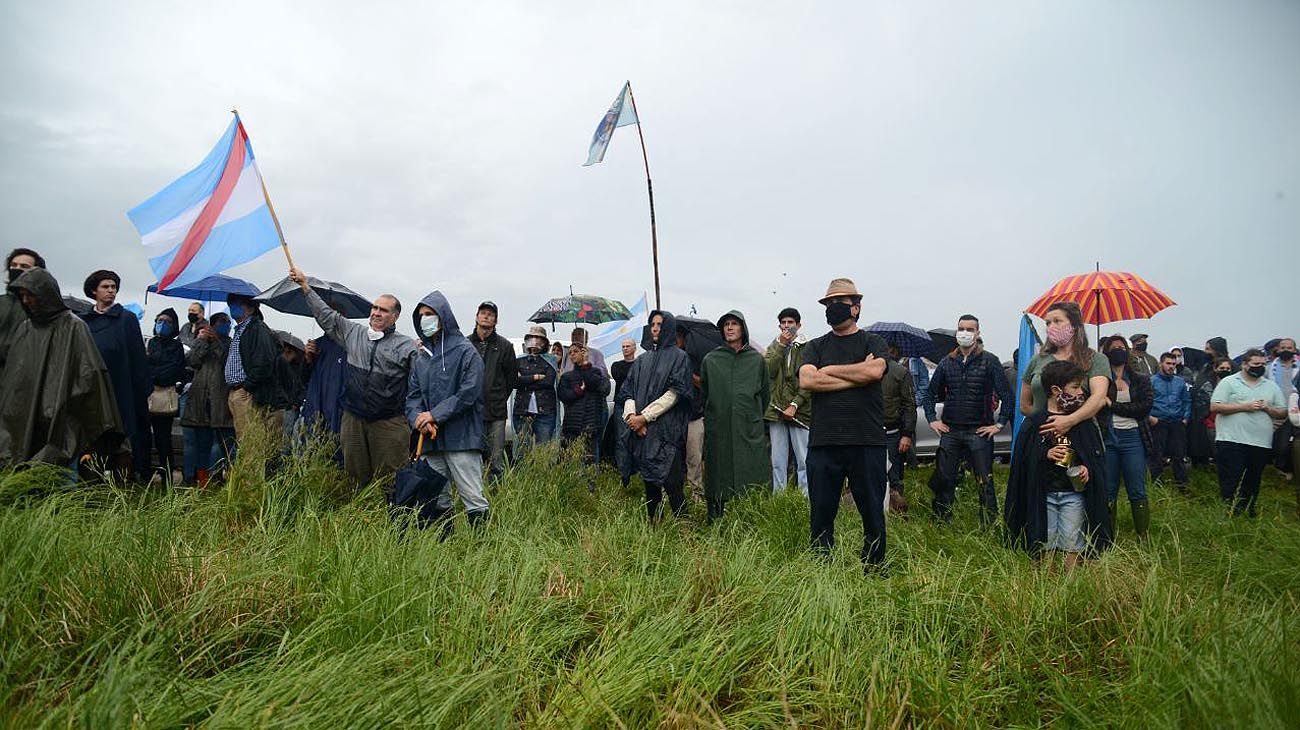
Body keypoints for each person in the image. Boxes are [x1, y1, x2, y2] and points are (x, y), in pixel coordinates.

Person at [289, 267, 417, 491]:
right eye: (375, 308)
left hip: (388, 422)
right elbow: (327, 316)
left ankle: (393, 521)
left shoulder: (406, 346)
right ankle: (359, 517)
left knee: (391, 478)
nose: (376, 313)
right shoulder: (354, 333)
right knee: (356, 476)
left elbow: (420, 384)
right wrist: (305, 286)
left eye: (384, 310)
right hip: (354, 419)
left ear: (395, 317)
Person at [798, 278, 890, 572]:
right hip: (824, 441)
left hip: (867, 439)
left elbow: (875, 372)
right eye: (828, 304)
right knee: (821, 512)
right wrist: (856, 373)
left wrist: (832, 371)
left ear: (856, 308)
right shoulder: (814, 346)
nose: (833, 309)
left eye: (839, 303)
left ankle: (874, 565)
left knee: (872, 510)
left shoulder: (873, 342)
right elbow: (808, 379)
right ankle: (822, 566)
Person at [0, 268, 125, 469]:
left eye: (29, 295)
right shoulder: (25, 329)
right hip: (24, 416)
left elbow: (89, 376)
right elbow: (15, 377)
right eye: (22, 296)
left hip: (61, 416)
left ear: (45, 295)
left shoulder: (74, 327)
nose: (25, 301)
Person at [1004, 360, 1112, 569]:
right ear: (1055, 390)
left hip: (1073, 495)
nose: (1081, 392)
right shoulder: (1035, 422)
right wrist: (1045, 453)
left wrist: (1085, 469)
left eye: (1081, 386)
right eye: (1075, 387)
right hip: (1043, 495)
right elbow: (1023, 461)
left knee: (1073, 543)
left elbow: (1093, 457)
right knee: (1044, 542)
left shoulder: (1082, 421)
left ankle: (1070, 588)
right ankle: (1046, 586)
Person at [406, 290, 489, 533]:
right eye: (421, 315)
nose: (425, 319)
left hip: (461, 438)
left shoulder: (465, 351)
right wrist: (419, 419)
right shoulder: (421, 358)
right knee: (436, 497)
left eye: (429, 314)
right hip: (430, 440)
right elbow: (412, 397)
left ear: (443, 316)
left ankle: (483, 549)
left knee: (472, 496)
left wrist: (434, 415)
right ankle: (445, 547)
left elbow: (469, 392)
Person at [927, 314, 1013, 525]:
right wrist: (931, 419)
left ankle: (988, 524)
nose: (965, 333)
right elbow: (929, 394)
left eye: (969, 329)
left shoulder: (990, 361)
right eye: (961, 328)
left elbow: (1007, 396)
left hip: (979, 431)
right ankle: (941, 522)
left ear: (977, 333)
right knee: (944, 479)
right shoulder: (947, 362)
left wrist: (999, 424)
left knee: (984, 480)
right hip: (951, 431)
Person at [620, 310, 693, 521]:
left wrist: (645, 417)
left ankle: (684, 531)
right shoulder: (642, 360)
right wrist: (633, 418)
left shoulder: (680, 358)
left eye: (660, 324)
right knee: (650, 485)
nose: (655, 328)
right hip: (642, 432)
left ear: (668, 327)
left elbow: (675, 394)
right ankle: (655, 528)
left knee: (673, 484)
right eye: (652, 323)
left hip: (666, 432)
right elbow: (628, 392)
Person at [80, 269, 151, 480]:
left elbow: (138, 357)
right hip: (92, 392)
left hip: (120, 390)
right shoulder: (84, 321)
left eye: (114, 287)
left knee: (122, 443)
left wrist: (141, 391)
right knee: (91, 442)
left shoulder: (126, 319)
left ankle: (123, 491)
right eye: (105, 287)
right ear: (94, 291)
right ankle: (91, 489)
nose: (111, 291)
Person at [700, 311, 769, 522]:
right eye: (726, 325)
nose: (729, 328)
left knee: (752, 472)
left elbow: (765, 395)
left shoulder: (756, 360)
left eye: (734, 324)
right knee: (717, 472)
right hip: (718, 427)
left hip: (748, 427)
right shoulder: (711, 360)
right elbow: (705, 393)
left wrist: (751, 417)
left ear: (743, 329)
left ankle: (753, 522)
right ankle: (714, 520)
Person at [1211, 349, 1287, 516]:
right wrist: (1244, 407)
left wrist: (1268, 408)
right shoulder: (1229, 382)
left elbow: (1283, 412)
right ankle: (1229, 512)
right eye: (1255, 364)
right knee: (1232, 478)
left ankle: (1248, 511)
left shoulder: (1271, 386)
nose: (1259, 367)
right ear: (1245, 365)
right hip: (1231, 440)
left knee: (1253, 479)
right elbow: (1215, 406)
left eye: (1262, 364)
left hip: (1260, 441)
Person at [1019, 301, 1111, 432]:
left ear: (1074, 325)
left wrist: (1069, 421)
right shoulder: (1037, 360)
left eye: (1057, 321)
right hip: (1042, 433)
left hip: (1080, 433)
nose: (1051, 326)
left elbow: (1098, 397)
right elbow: (1024, 405)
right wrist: (1047, 422)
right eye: (1048, 323)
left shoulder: (1096, 359)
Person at [1099, 335, 1153, 539]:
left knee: (1137, 488)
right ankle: (1106, 536)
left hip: (1133, 438)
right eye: (1113, 348)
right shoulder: (1101, 380)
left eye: (1122, 347)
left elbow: (1144, 408)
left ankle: (1143, 535)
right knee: (1108, 489)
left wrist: (1113, 406)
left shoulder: (1140, 379)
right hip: (1109, 437)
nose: (1118, 350)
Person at [223, 293, 285, 444]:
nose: (233, 307)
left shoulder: (257, 329)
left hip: (246, 392)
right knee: (242, 439)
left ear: (251, 309)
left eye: (238, 303)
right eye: (231, 303)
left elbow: (264, 362)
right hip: (236, 391)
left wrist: (247, 387)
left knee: (250, 443)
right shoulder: (240, 330)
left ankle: (251, 468)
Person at [181, 314, 236, 485]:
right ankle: (194, 477)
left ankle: (215, 477)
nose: (225, 325)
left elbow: (227, 362)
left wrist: (217, 342)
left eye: (227, 322)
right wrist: (202, 341)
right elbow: (191, 361)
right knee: (199, 443)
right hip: (200, 399)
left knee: (218, 443)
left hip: (220, 399)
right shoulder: (202, 340)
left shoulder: (230, 343)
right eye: (221, 322)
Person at [764, 307, 811, 496]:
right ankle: (779, 499)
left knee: (803, 459)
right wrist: (780, 346)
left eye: (790, 323)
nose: (786, 326)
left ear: (798, 325)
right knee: (777, 460)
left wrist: (795, 404)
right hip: (776, 410)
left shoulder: (808, 347)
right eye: (783, 323)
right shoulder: (774, 346)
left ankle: (805, 499)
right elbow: (767, 371)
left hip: (800, 411)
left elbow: (809, 381)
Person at [467, 301, 515, 484]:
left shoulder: (505, 346)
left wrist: (498, 397)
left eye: (491, 314)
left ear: (496, 320)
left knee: (495, 460)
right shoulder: (465, 343)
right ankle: (472, 493)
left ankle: (495, 495)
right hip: (470, 412)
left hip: (496, 412)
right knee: (471, 456)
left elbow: (511, 379)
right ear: (477, 316)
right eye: (483, 313)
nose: (486, 316)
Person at [557, 339, 610, 490]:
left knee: (589, 460)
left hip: (590, 422)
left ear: (583, 352)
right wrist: (578, 391)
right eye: (570, 352)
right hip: (571, 424)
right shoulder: (567, 377)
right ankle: (568, 488)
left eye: (576, 351)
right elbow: (563, 395)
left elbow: (603, 389)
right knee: (567, 458)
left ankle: (590, 491)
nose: (572, 354)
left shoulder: (596, 372)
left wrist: (586, 366)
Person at [146, 308, 188, 481]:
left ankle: (167, 472)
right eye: (160, 321)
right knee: (144, 436)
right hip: (147, 395)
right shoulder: (151, 343)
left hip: (164, 396)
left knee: (163, 437)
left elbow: (174, 371)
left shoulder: (176, 346)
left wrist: (154, 374)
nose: (162, 324)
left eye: (168, 322)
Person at [513, 325, 559, 459]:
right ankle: (523, 478)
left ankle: (541, 477)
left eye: (539, 339)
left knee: (543, 450)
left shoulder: (550, 361)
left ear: (544, 343)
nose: (535, 342)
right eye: (532, 338)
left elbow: (548, 382)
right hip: (522, 409)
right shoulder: (519, 360)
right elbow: (514, 381)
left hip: (545, 410)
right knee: (523, 449)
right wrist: (535, 377)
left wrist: (525, 380)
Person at [1148, 351, 1192, 491]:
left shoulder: (1180, 382)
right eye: (1168, 363)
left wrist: (1185, 417)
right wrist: (1151, 418)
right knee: (1157, 455)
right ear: (1161, 364)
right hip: (1158, 421)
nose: (1171, 366)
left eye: (1173, 364)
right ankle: (1157, 485)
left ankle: (1182, 485)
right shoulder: (1151, 381)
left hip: (1177, 422)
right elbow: (1145, 401)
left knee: (1179, 455)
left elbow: (1186, 400)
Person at [0, 247, 44, 382]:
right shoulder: (1, 302)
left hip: (25, 378)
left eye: (24, 266)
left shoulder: (42, 307)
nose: (17, 269)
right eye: (13, 265)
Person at [881, 345, 916, 513]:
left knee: (894, 475)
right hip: (871, 432)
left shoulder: (900, 372)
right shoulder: (865, 369)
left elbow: (909, 405)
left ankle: (897, 512)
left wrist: (907, 434)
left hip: (892, 433)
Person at [1189, 337, 1230, 465]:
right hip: (1201, 410)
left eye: (1208, 349)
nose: (1205, 351)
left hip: (1216, 412)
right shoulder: (1207, 365)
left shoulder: (1229, 366)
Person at [606, 338, 637, 484]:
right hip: (621, 404)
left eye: (628, 346)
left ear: (634, 348)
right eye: (623, 346)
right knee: (621, 438)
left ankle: (635, 470)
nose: (625, 349)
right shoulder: (617, 365)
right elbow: (620, 376)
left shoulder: (640, 364)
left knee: (636, 439)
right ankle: (623, 472)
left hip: (637, 404)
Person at [1267, 338, 1297, 477]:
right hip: (1272, 409)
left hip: (1293, 411)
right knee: (1268, 440)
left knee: (1284, 445)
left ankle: (1282, 467)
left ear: (1294, 350)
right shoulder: (1269, 367)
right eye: (1283, 347)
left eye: (1289, 347)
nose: (1285, 350)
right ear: (1278, 350)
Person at [276, 332, 308, 445]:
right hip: (287, 405)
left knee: (292, 436)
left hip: (295, 405)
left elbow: (303, 386)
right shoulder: (282, 364)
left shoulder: (301, 366)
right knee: (286, 437)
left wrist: (296, 402)